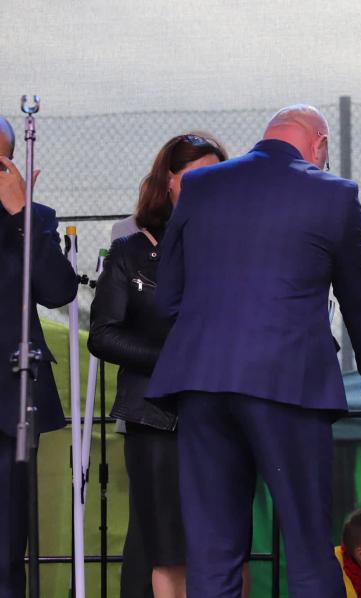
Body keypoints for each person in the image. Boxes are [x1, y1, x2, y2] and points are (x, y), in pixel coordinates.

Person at [145, 104, 361, 597]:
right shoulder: (335, 194)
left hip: (201, 384)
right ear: (319, 144)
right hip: (289, 383)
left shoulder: (201, 185)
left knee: (212, 549)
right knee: (306, 542)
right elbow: (360, 296)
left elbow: (168, 297)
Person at [87, 133, 242, 598]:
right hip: (156, 418)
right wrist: (179, 361)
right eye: (194, 177)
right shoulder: (130, 250)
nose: (206, 187)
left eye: (217, 177)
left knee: (227, 549)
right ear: (168, 182)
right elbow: (103, 335)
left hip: (225, 415)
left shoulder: (239, 247)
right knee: (167, 550)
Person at [0, 115, 80, 595]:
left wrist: (21, 215)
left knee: (6, 551)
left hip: (8, 404)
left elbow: (57, 291)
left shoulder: (34, 219)